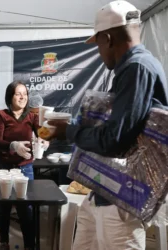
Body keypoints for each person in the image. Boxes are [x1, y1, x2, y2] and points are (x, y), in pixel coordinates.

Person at [47, 1, 168, 249]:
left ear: (108, 38)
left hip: (122, 200)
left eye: (98, 43)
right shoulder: (132, 68)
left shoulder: (137, 68)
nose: (99, 51)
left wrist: (67, 131)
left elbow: (114, 140)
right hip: (103, 193)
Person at [0, 81, 39, 250]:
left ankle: (29, 246)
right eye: (18, 94)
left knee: (25, 209)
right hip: (4, 168)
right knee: (3, 207)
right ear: (10, 97)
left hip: (25, 167)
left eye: (25, 94)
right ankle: (4, 242)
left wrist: (44, 141)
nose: (22, 97)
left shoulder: (32, 116)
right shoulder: (0, 115)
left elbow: (43, 133)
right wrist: (13, 146)